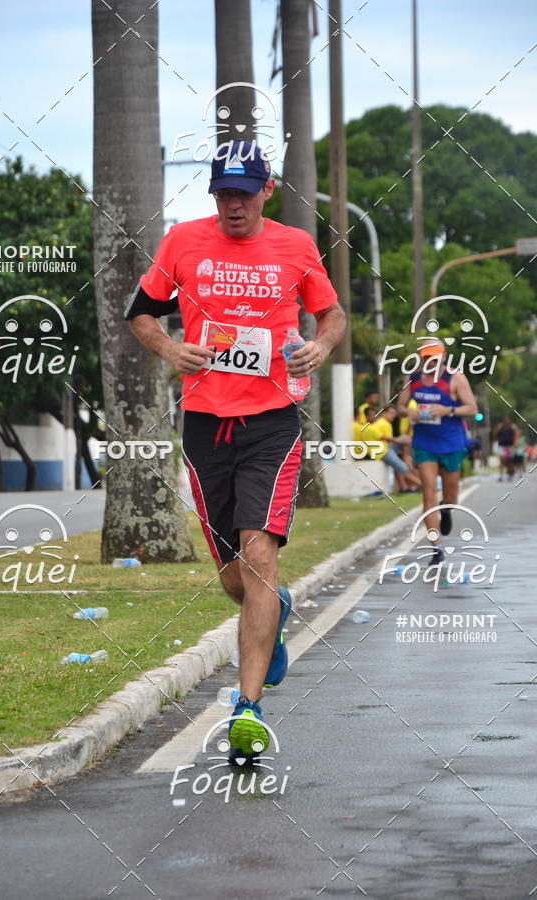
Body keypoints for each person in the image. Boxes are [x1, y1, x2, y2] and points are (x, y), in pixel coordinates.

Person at [125, 140, 345, 760]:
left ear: (266, 190)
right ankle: (270, 615)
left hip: (272, 423)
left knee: (259, 559)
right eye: (223, 193)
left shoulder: (296, 247)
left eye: (244, 194)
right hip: (204, 424)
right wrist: (171, 350)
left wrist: (321, 347)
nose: (233, 206)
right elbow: (141, 314)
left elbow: (331, 316)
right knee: (234, 575)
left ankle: (246, 712)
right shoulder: (183, 243)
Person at [397, 339, 477, 564]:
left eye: (435, 357)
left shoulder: (455, 378)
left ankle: (447, 509)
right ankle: (436, 547)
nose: (430, 362)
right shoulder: (412, 379)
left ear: (443, 356)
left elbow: (472, 408)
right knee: (428, 494)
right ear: (421, 359)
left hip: (452, 443)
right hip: (424, 444)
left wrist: (448, 410)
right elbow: (400, 408)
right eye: (426, 358)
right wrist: (409, 414)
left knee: (451, 497)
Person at [373, 406, 421, 491]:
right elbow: (390, 440)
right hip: (384, 451)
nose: (393, 416)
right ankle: (423, 486)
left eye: (394, 414)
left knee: (405, 443)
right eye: (391, 413)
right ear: (384, 413)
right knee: (404, 468)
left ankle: (404, 486)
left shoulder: (382, 423)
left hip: (385, 449)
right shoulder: (383, 424)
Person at [495, 415, 519, 481]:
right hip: (502, 446)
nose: (506, 421)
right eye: (505, 419)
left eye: (507, 419)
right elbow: (495, 435)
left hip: (510, 446)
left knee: (510, 461)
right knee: (502, 460)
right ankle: (500, 476)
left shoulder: (513, 427)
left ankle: (510, 475)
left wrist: (516, 446)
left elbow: (516, 436)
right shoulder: (500, 427)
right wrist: (498, 429)